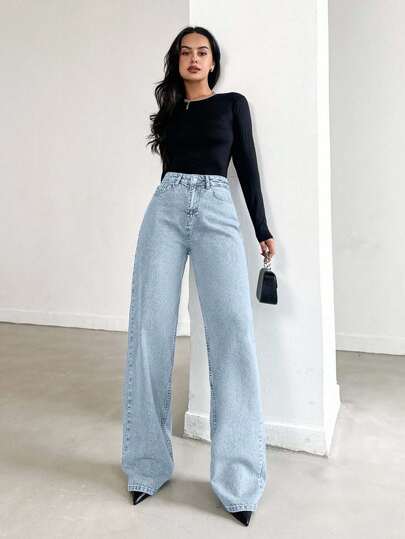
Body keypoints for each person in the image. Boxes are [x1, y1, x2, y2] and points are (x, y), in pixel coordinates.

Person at [121, 25, 276, 527]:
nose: (193, 58)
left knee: (233, 333)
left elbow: (246, 166)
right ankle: (146, 467)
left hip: (215, 208)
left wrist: (262, 229)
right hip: (165, 210)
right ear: (177, 61)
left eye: (202, 52)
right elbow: (169, 172)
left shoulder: (232, 104)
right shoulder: (169, 112)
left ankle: (239, 481)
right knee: (150, 331)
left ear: (213, 62)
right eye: (185, 52)